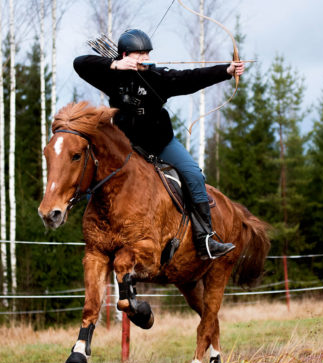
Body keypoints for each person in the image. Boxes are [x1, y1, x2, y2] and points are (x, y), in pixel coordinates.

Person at [74, 28, 245, 260]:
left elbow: (191, 78)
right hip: (127, 150)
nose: (145, 57)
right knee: (96, 176)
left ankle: (205, 238)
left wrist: (226, 70)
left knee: (193, 174)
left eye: (147, 53)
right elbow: (80, 63)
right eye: (139, 54)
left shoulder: (158, 77)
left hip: (161, 143)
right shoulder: (111, 77)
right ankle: (99, 234)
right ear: (124, 55)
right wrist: (114, 66)